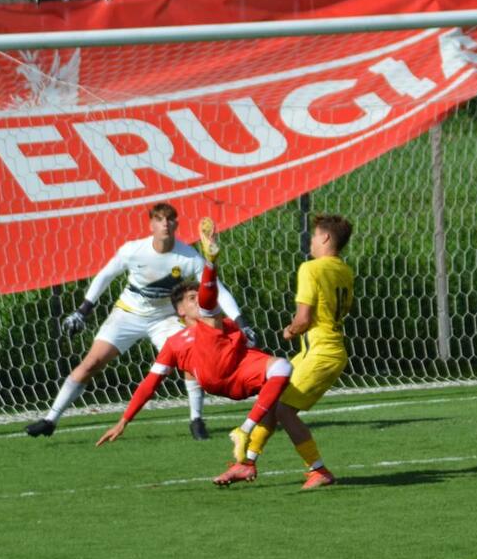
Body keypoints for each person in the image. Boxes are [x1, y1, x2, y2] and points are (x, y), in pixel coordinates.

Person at [23, 202, 255, 441]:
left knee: (191, 359)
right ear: (151, 224)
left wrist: (241, 322)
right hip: (128, 313)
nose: (165, 224)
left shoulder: (188, 256)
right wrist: (82, 311)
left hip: (165, 318)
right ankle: (50, 419)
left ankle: (196, 420)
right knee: (91, 363)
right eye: (159, 219)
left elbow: (218, 289)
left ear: (176, 224)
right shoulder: (133, 250)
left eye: (170, 219)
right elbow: (105, 275)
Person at [95, 219, 293, 447]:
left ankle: (246, 441)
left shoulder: (224, 324)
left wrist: (245, 336)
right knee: (210, 315)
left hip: (239, 375)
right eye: (191, 298)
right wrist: (123, 421)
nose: (197, 299)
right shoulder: (176, 342)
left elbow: (244, 348)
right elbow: (151, 382)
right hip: (214, 376)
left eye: (197, 294)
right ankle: (210, 262)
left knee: (283, 368)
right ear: (179, 310)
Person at [214, 213, 355, 490]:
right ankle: (247, 463)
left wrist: (290, 330)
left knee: (284, 409)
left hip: (321, 352)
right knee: (272, 398)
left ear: (326, 238)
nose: (311, 241)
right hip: (325, 348)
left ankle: (318, 470)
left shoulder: (310, 269)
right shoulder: (344, 270)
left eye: (315, 235)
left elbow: (303, 319)